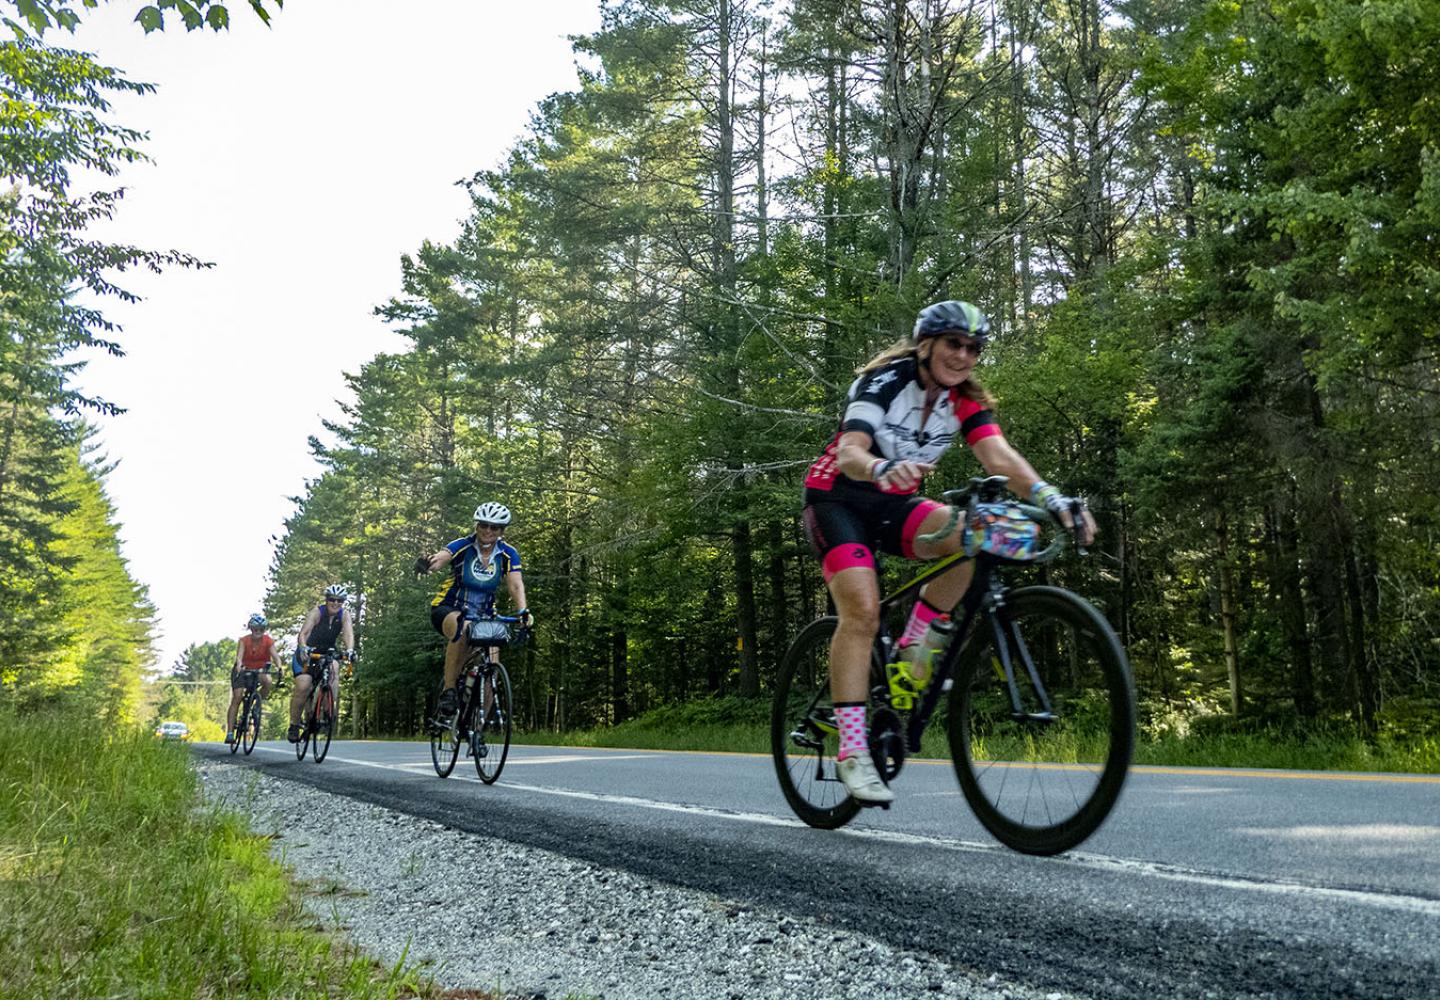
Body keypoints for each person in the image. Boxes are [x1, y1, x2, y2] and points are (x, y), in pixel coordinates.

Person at [801, 300, 1096, 805]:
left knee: (973, 533)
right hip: (838, 498)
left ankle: (913, 650)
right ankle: (853, 752)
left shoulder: (963, 399)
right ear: (925, 345)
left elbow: (999, 455)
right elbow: (851, 451)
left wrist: (1052, 499)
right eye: (954, 344)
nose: (963, 356)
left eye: (973, 348)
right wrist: (876, 469)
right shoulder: (887, 381)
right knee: (863, 612)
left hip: (895, 503)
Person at [416, 501, 532, 721]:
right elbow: (442, 557)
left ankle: (477, 729)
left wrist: (523, 611)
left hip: (485, 615)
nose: (488, 531)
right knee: (464, 627)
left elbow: (515, 584)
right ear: (477, 526)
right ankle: (449, 691)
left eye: (494, 527)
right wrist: (429, 563)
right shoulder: (463, 545)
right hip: (448, 607)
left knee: (492, 667)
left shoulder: (508, 554)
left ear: (501, 531)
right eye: (484, 525)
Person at [288, 583, 355, 743]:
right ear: (326, 600)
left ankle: (327, 711)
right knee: (303, 687)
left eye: (340, 601)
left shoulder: (344, 615)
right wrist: (303, 647)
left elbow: (348, 635)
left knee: (334, 669)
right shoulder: (317, 612)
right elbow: (303, 634)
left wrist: (350, 650)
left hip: (327, 652)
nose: (336, 603)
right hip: (308, 653)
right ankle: (294, 725)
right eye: (332, 599)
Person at [225, 613, 283, 744]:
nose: (258, 631)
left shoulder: (268, 641)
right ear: (251, 629)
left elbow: (276, 656)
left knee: (268, 681)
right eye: (255, 629)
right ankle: (229, 732)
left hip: (260, 669)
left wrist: (280, 667)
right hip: (243, 669)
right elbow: (239, 657)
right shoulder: (244, 641)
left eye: (261, 629)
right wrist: (239, 666)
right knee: (237, 697)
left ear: (264, 630)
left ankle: (257, 703)